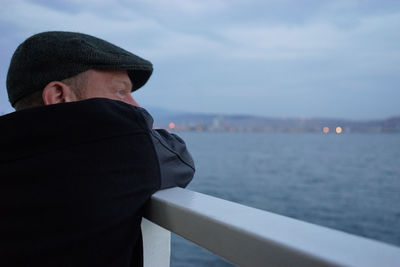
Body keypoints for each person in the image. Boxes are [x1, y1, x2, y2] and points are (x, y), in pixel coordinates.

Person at [0, 31, 195, 266]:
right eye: (120, 91)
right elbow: (180, 159)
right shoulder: (119, 145)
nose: (135, 106)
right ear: (59, 96)